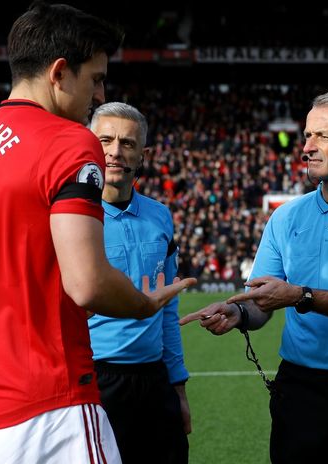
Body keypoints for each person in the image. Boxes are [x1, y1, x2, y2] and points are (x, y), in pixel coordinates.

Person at [0, 3, 195, 463]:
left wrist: (4, 301)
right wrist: (144, 304)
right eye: (95, 78)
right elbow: (88, 284)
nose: (99, 94)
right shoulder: (69, 141)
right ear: (60, 73)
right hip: (46, 404)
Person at [181, 91, 328, 464]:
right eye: (307, 135)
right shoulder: (285, 217)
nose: (307, 147)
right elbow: (262, 300)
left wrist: (299, 296)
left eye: (321, 136)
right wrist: (241, 314)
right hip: (299, 388)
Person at [87, 102, 191, 463]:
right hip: (94, 379)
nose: (116, 151)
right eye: (105, 140)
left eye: (127, 143)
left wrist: (178, 388)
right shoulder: (70, 219)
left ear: (142, 155)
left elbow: (167, 311)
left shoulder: (160, 216)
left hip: (154, 379)